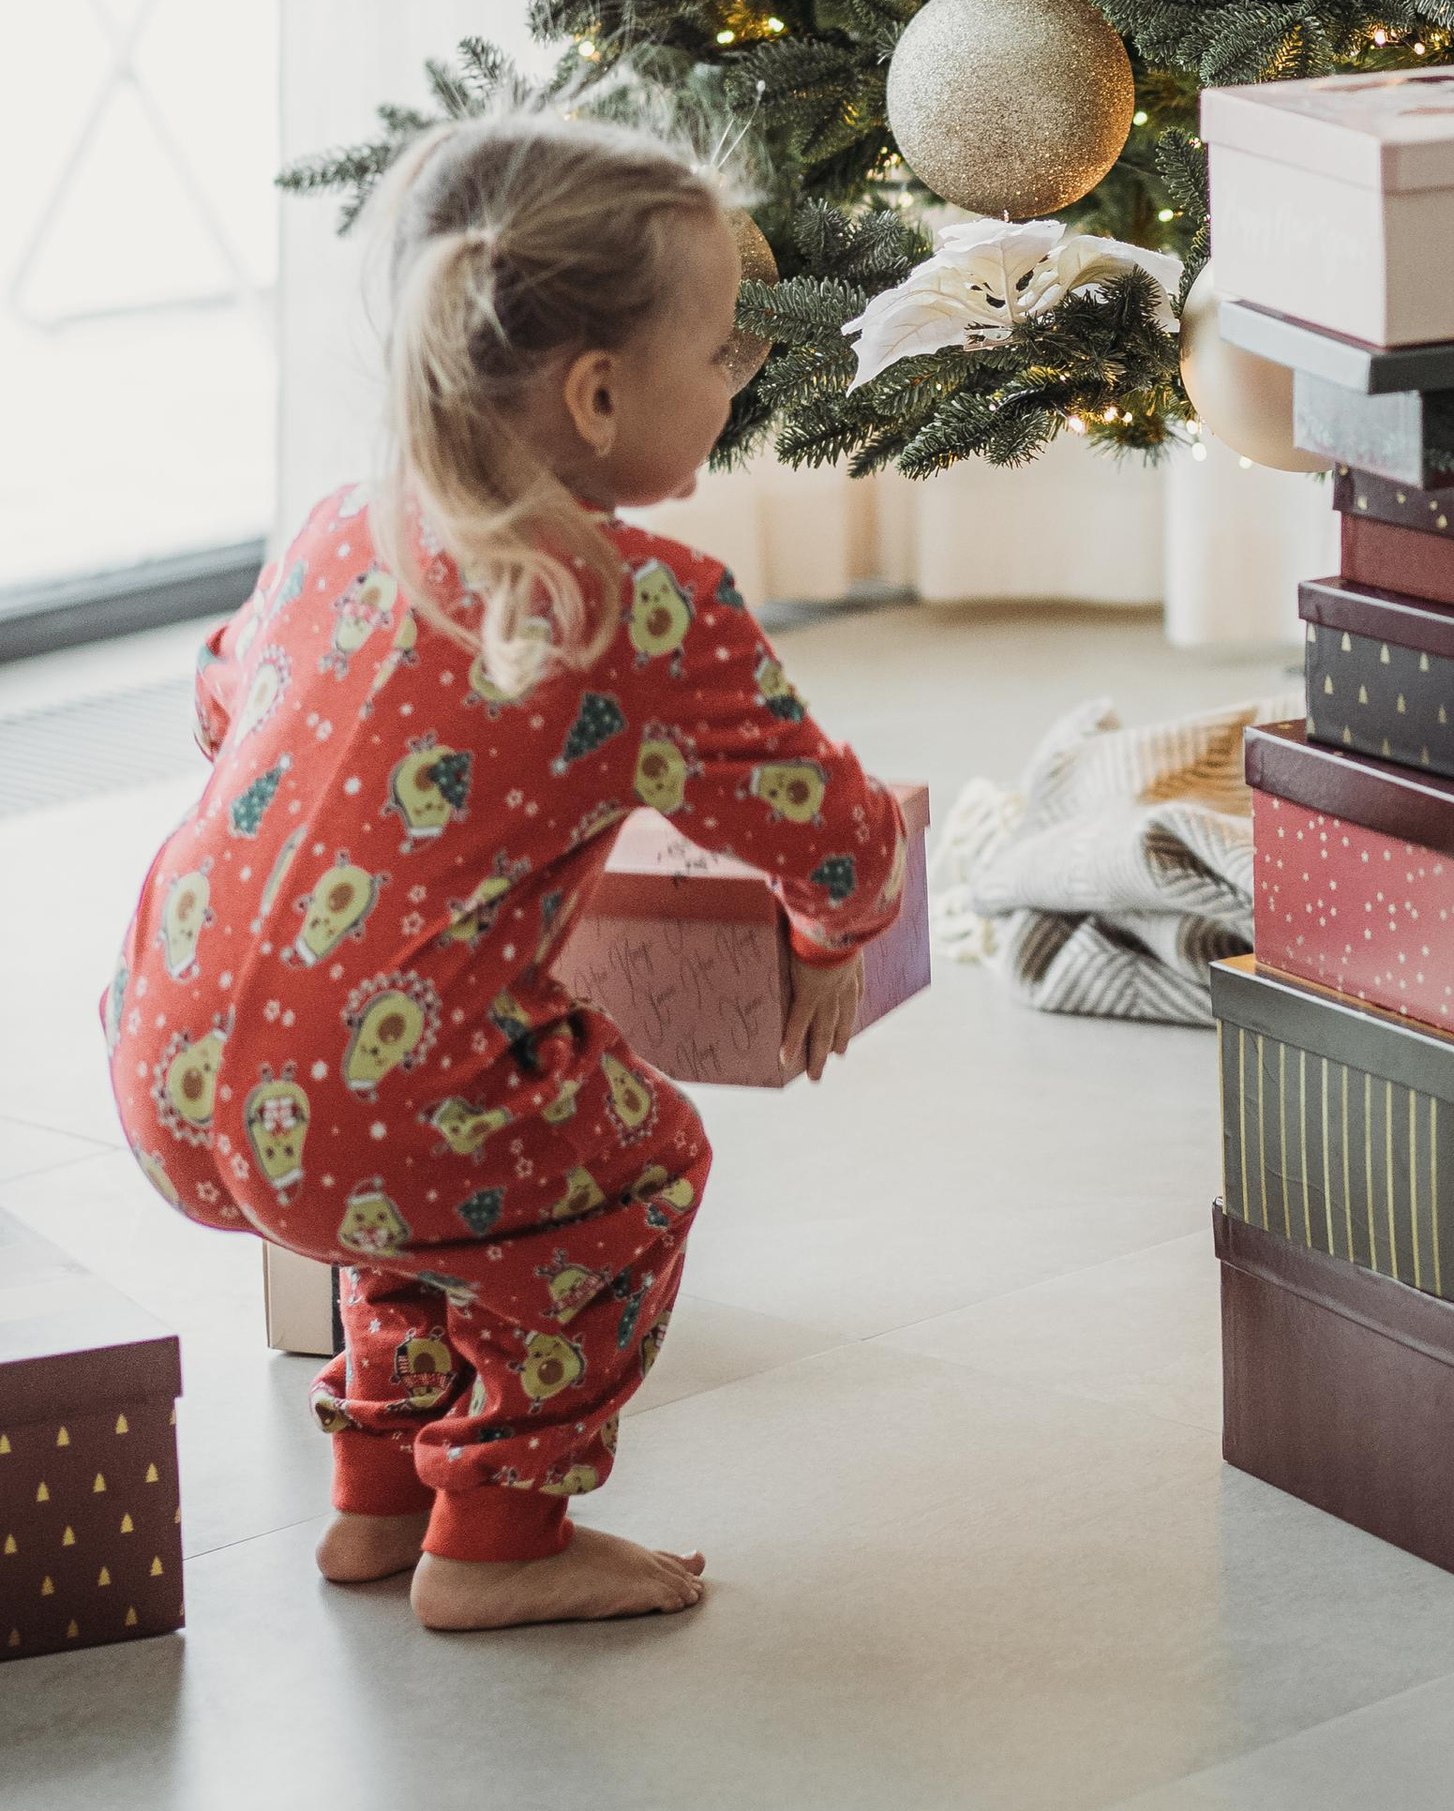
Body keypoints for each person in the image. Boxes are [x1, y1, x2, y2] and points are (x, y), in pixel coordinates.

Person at [105, 112, 909, 1632]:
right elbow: (832, 824)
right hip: (350, 1098)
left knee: (415, 1179)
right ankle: (502, 1531)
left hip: (172, 1068)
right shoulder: (642, 604)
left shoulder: (345, 526)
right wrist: (828, 933)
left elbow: (224, 698)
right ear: (600, 396)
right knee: (631, 1177)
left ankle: (378, 1494)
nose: (739, 382)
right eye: (726, 354)